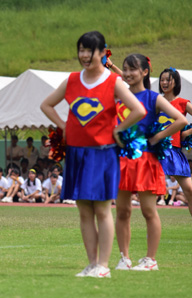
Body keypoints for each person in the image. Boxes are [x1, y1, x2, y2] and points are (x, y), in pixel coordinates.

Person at [40, 31, 146, 278]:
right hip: (77, 154)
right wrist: (65, 127)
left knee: (101, 210)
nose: (84, 55)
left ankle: (103, 266)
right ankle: (91, 263)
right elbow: (46, 105)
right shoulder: (72, 80)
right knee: (83, 210)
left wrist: (118, 128)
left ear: (102, 53)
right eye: (81, 50)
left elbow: (138, 109)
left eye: (89, 50)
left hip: (102, 154)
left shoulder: (113, 81)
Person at [114, 54, 187, 272]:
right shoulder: (120, 97)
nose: (127, 73)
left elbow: (181, 120)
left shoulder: (154, 98)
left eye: (132, 69)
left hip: (146, 160)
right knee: (122, 211)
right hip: (123, 159)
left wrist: (157, 138)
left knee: (148, 210)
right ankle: (124, 258)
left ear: (145, 72)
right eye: (125, 69)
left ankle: (150, 260)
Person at [157, 68, 192, 216]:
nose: (164, 83)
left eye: (168, 80)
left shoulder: (183, 103)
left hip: (175, 152)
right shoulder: (156, 101)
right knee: (149, 191)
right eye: (162, 79)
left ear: (176, 82)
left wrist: (186, 133)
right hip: (156, 151)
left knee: (189, 190)